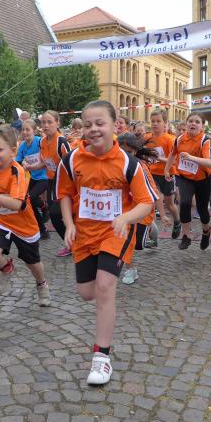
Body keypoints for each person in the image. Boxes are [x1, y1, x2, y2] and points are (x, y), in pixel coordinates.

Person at [56, 100, 154, 385]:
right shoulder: (71, 160)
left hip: (116, 233)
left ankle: (102, 358)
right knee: (87, 293)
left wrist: (125, 218)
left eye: (100, 123)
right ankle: (104, 303)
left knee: (104, 286)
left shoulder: (128, 163)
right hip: (84, 234)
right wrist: (69, 224)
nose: (94, 129)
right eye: (88, 124)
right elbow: (64, 194)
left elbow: (146, 203)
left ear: (114, 125)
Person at [0, 125, 50, 305]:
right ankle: (7, 268)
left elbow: (17, 204)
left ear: (13, 151)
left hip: (23, 225)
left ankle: (41, 284)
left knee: (33, 263)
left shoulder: (18, 171)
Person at [117, 132, 167, 285]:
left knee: (138, 244)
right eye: (122, 151)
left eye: (129, 152)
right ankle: (130, 269)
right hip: (123, 212)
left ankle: (152, 228)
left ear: (136, 152)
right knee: (125, 241)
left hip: (142, 213)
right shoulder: (112, 165)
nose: (126, 155)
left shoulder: (140, 167)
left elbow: (155, 193)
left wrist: (163, 215)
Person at [165, 114, 211, 250]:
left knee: (202, 210)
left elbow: (210, 162)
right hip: (184, 177)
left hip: (203, 179)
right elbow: (172, 154)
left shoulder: (205, 140)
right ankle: (186, 236)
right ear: (186, 124)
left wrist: (191, 158)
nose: (193, 123)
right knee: (185, 203)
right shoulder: (180, 139)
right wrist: (166, 169)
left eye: (197, 122)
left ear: (202, 126)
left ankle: (206, 231)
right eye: (190, 121)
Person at [33, 110, 71, 257]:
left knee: (56, 213)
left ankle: (73, 242)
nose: (46, 125)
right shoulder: (42, 141)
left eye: (50, 122)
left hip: (64, 183)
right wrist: (31, 167)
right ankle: (71, 243)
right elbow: (45, 162)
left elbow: (71, 164)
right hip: (50, 181)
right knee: (54, 216)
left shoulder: (62, 142)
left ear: (57, 123)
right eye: (43, 122)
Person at [144, 109, 181, 239]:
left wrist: (158, 158)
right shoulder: (147, 138)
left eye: (158, 121)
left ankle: (177, 221)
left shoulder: (170, 140)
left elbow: (175, 161)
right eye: (153, 121)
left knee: (170, 204)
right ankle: (160, 221)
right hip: (152, 172)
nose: (155, 124)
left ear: (165, 123)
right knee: (155, 196)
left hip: (167, 174)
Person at [16, 118, 49, 239]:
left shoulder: (39, 141)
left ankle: (44, 208)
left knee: (32, 198)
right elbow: (18, 161)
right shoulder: (22, 146)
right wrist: (22, 163)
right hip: (34, 177)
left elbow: (48, 154)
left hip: (45, 176)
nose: (24, 132)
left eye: (27, 130)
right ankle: (42, 229)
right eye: (23, 130)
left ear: (34, 131)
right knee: (28, 200)